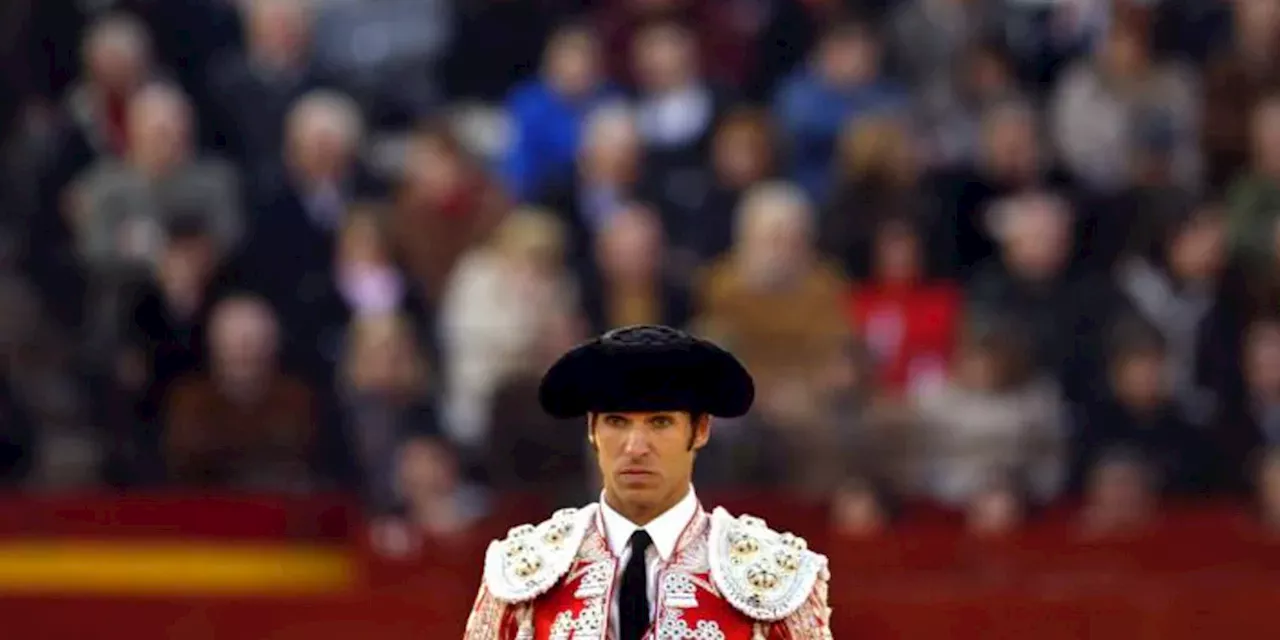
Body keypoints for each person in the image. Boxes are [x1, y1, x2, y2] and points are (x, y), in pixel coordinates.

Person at [463, 325, 833, 639]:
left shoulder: (776, 575)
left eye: (660, 422)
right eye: (617, 421)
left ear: (700, 430)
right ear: (592, 428)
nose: (636, 447)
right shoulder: (522, 570)